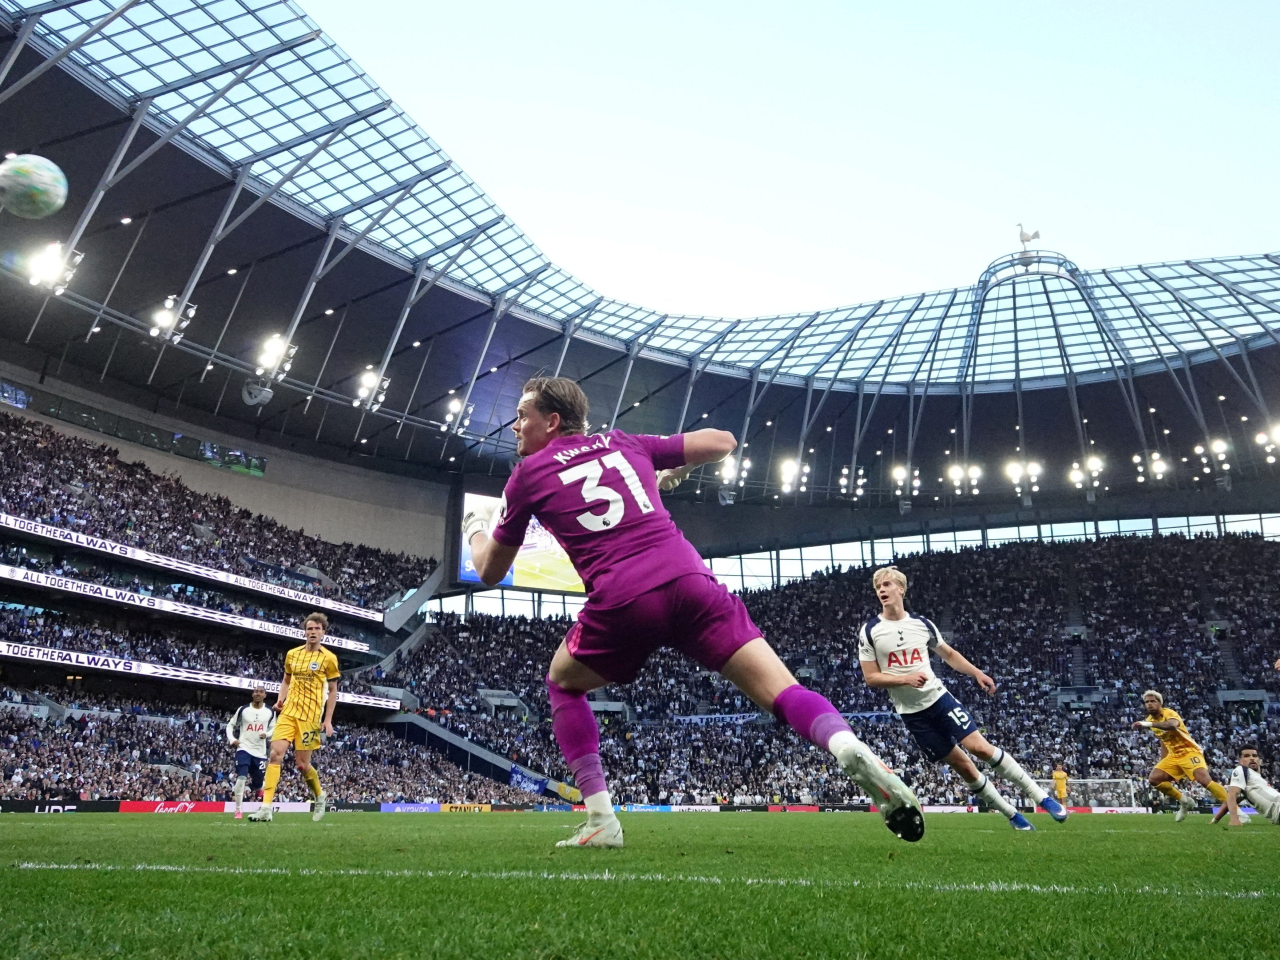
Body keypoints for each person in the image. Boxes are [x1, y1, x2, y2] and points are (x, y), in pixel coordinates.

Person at [465, 377, 922, 848]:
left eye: (523, 415)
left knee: (562, 681)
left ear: (553, 421)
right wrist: (662, 473)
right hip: (689, 581)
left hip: (623, 598)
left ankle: (601, 819)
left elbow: (489, 570)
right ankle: (845, 745)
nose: (515, 425)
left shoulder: (527, 475)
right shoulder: (625, 442)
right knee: (784, 692)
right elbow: (723, 442)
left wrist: (475, 528)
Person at [856, 565, 1068, 831]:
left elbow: (949, 654)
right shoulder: (870, 631)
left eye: (887, 585)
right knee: (964, 767)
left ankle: (1042, 797)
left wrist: (976, 673)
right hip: (912, 714)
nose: (882, 590)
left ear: (901, 589)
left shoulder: (922, 625)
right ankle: (1012, 815)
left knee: (980, 747)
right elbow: (871, 677)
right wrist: (904, 679)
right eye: (878, 587)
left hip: (938, 699)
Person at [249, 612, 339, 822]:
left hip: (310, 717)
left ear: (323, 632)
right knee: (275, 755)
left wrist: (327, 720)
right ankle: (265, 807)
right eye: (309, 629)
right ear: (305, 632)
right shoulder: (293, 654)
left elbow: (333, 691)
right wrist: (281, 700)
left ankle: (319, 795)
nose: (312, 632)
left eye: (317, 629)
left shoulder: (329, 658)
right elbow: (286, 681)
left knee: (302, 765)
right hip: (289, 713)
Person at [1130, 689, 1228, 822]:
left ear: (1160, 703)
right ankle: (1184, 801)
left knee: (1204, 780)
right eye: (1147, 702)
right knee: (1154, 779)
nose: (1149, 704)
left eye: (1153, 701)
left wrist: (1147, 724)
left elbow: (1171, 726)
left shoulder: (1168, 713)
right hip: (1174, 756)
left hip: (1189, 751)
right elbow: (1164, 740)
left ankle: (1234, 809)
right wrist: (1163, 761)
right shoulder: (1150, 720)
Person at [226, 683, 275, 819]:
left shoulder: (270, 712)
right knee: (241, 777)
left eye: (260, 692)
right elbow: (230, 725)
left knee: (258, 784)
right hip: (244, 748)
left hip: (260, 752)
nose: (257, 694)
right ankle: (238, 810)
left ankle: (263, 801)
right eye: (255, 691)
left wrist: (267, 734)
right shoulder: (243, 710)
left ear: (265, 695)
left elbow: (274, 728)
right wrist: (232, 739)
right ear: (253, 694)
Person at [1211, 744, 1277, 826]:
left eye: (1255, 756)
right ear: (1240, 760)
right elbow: (1232, 795)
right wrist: (1234, 819)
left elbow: (1228, 802)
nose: (1252, 758)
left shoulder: (1256, 777)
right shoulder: (1241, 770)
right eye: (1246, 756)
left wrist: (1215, 820)